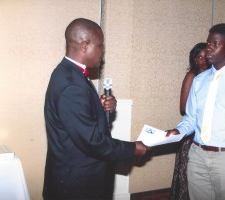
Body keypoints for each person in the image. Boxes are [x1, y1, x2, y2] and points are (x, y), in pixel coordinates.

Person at [43, 18, 149, 200]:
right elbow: (92, 141)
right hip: (78, 186)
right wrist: (132, 149)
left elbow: (76, 121)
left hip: (76, 179)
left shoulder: (67, 73)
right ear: (84, 46)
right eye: (100, 46)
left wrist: (100, 108)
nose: (102, 54)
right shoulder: (72, 85)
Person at [166, 23, 225, 200]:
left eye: (215, 44)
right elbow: (191, 118)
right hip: (197, 157)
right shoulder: (199, 80)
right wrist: (178, 131)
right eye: (208, 43)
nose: (209, 48)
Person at [170, 42, 210, 200]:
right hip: (191, 133)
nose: (203, 60)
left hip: (208, 136)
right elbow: (183, 108)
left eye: (205, 56)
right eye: (199, 57)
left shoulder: (213, 77)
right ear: (194, 59)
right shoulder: (192, 76)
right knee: (187, 177)